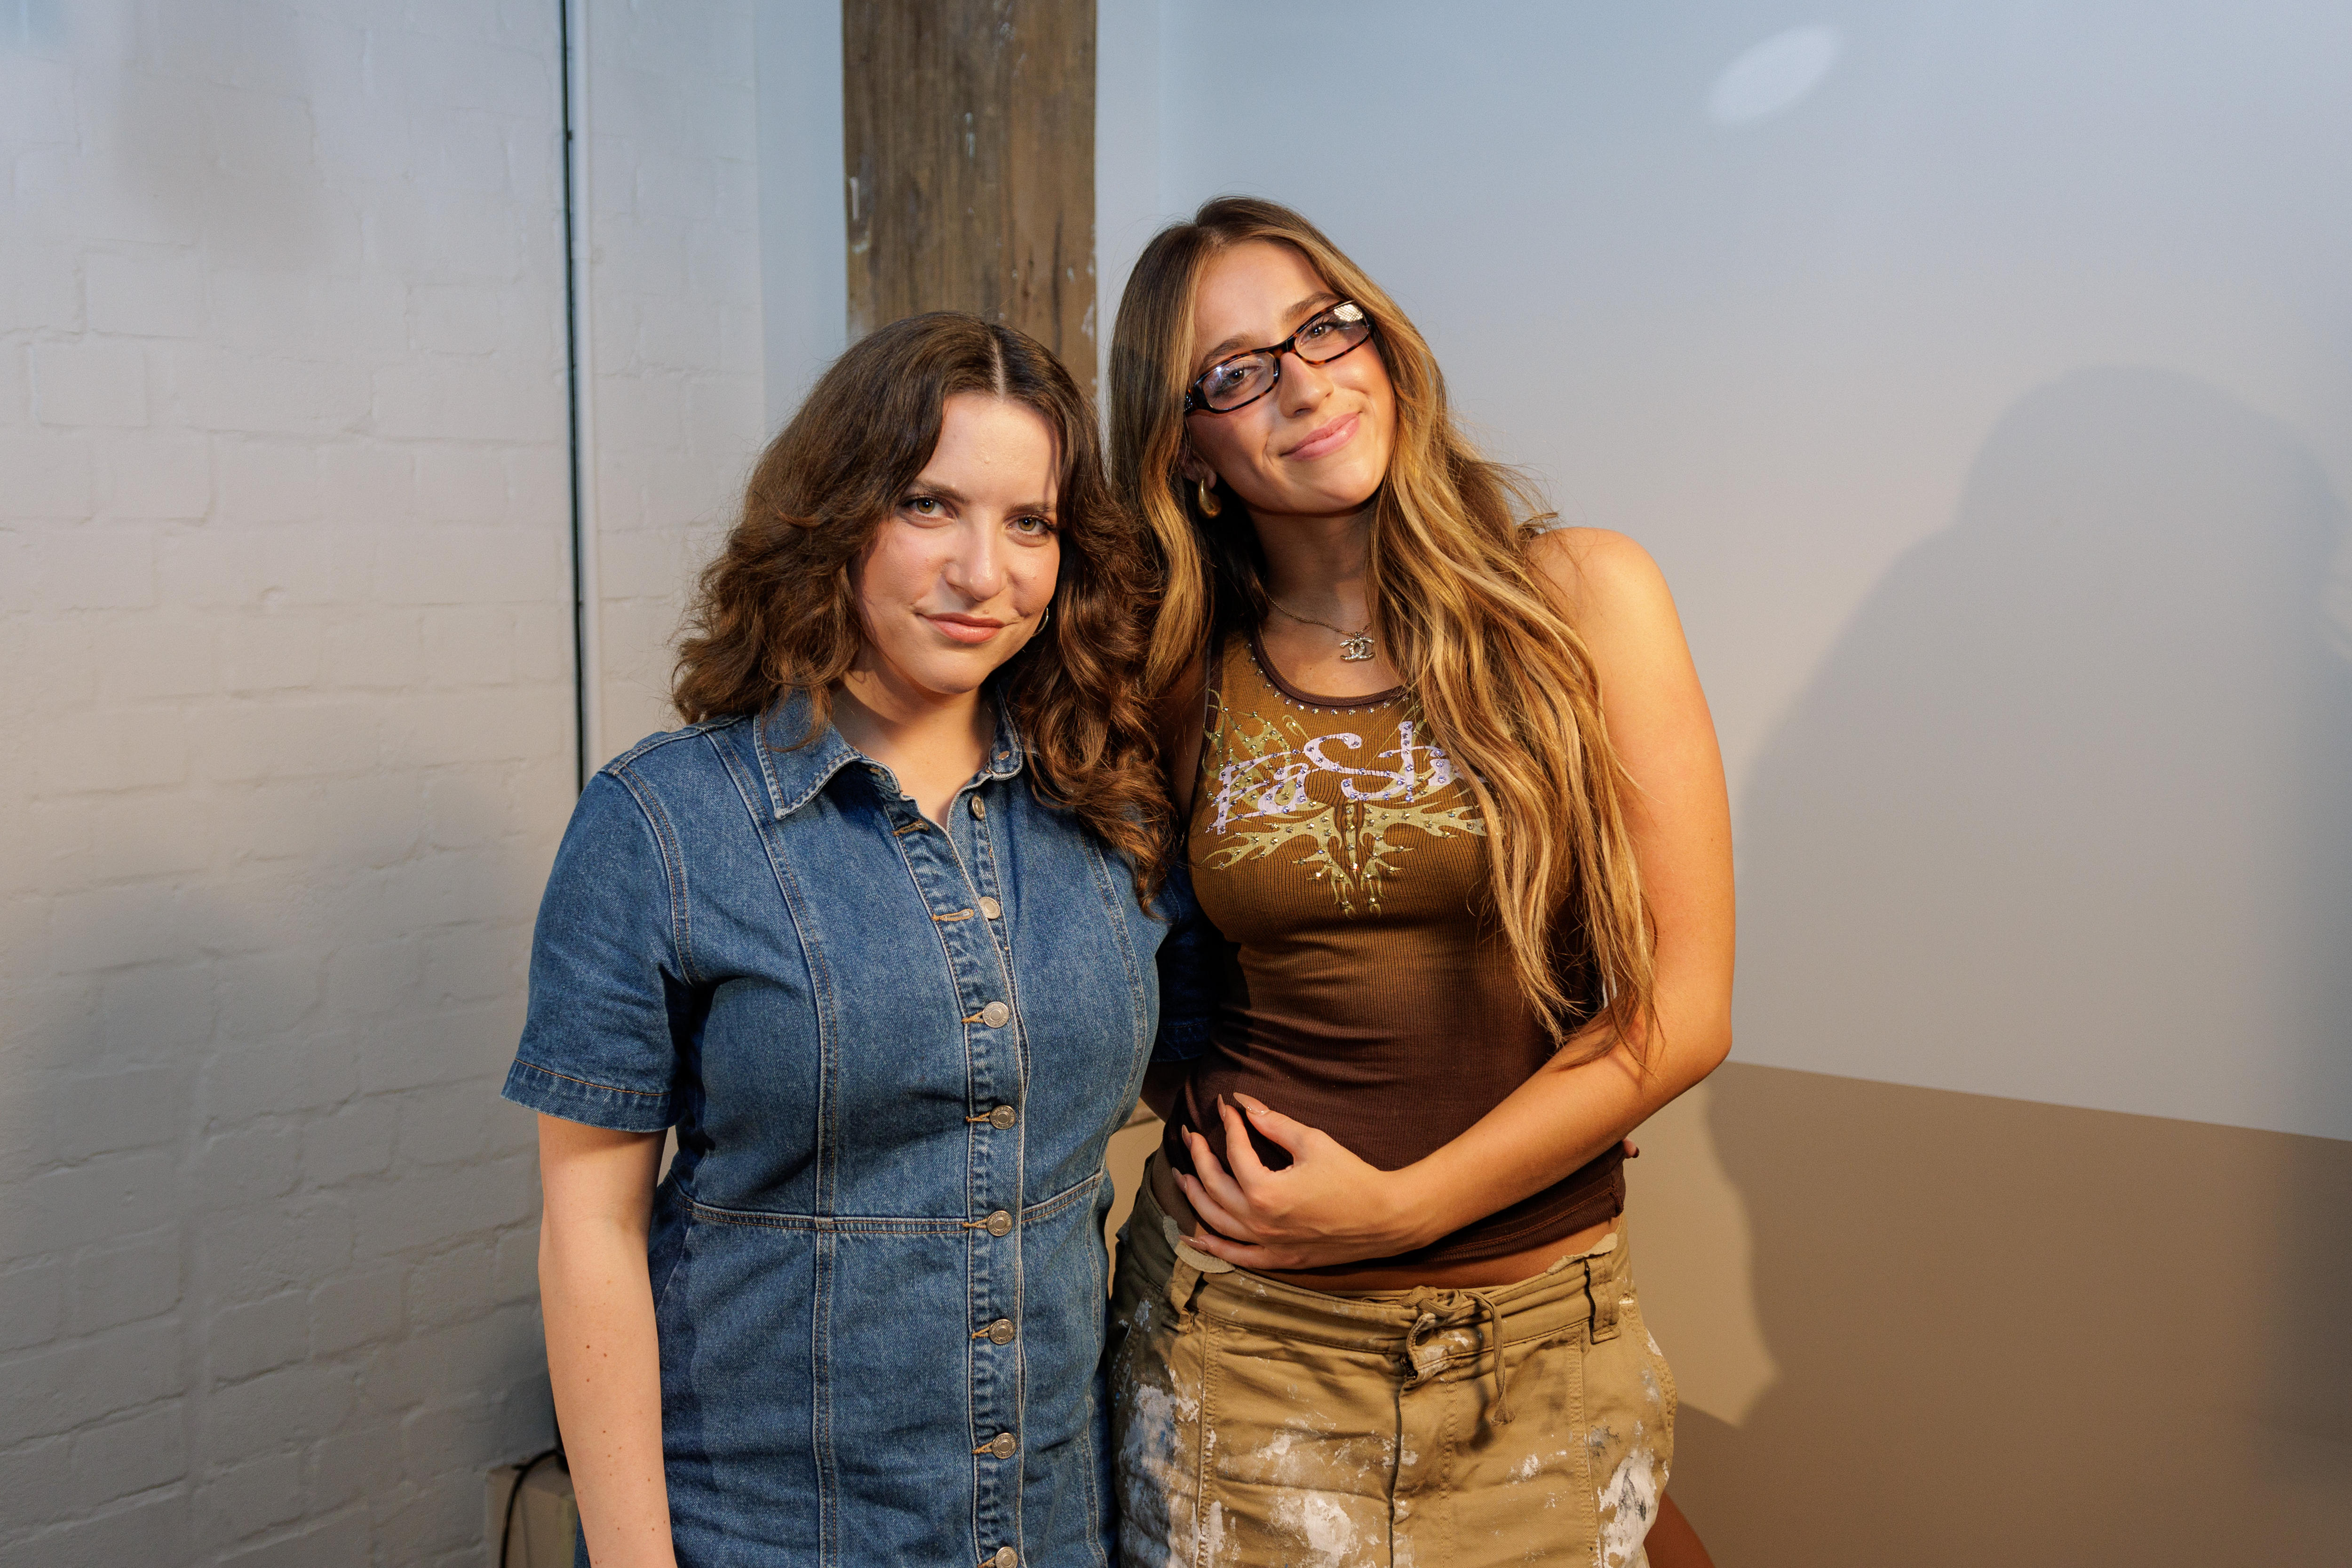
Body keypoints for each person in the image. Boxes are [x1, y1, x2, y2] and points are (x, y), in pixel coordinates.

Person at [1102, 198, 1734, 1567]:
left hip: (1539, 1346)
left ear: (1384, 345)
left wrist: (1408, 1198)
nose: (1307, 379)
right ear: (1190, 452)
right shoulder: (1175, 670)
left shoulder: (1583, 599)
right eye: (1237, 370)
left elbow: (1685, 1008)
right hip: (1242, 1350)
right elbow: (1127, 986)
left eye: (1326, 327)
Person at [505, 313, 1192, 1567]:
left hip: (1057, 1523)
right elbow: (587, 1228)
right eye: (931, 505)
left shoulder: (1112, 809)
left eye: (1029, 522)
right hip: (770, 1532)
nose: (986, 572)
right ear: (835, 517)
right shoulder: (664, 825)